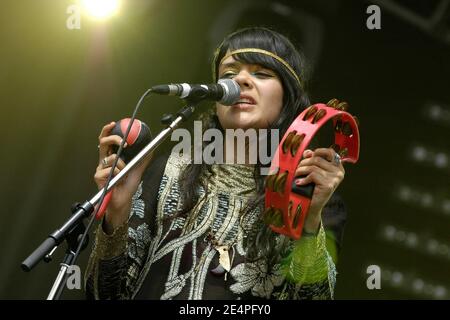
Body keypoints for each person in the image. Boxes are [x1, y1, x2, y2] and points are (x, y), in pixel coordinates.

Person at [85, 27, 347, 300]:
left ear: (288, 98)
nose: (241, 79)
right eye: (230, 74)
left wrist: (311, 217)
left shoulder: (316, 194)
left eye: (262, 73)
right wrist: (117, 210)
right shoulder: (169, 170)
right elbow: (103, 297)